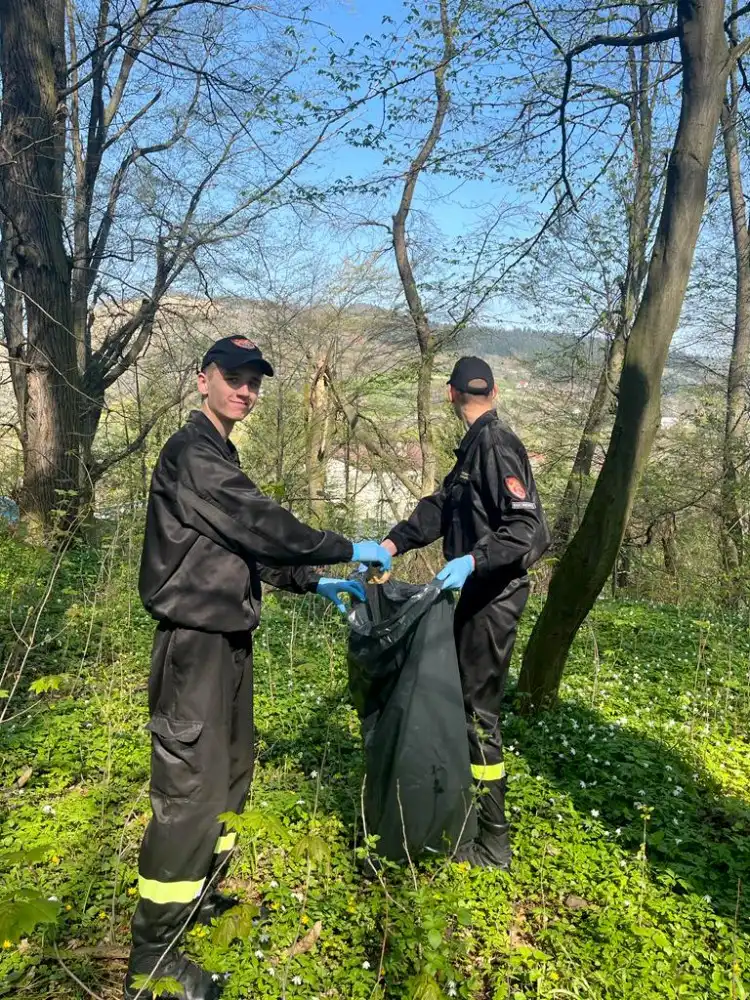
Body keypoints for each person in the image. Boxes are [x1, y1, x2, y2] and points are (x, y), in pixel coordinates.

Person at [125, 335, 392, 1000]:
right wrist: (341, 547)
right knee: (190, 796)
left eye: (254, 381)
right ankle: (152, 961)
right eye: (234, 377)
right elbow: (259, 521)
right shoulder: (193, 454)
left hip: (229, 644)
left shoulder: (219, 452)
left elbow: (244, 546)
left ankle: (199, 906)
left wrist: (309, 581)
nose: (245, 390)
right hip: (194, 648)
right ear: (203, 381)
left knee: (230, 779)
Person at [382, 356, 549, 870]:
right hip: (476, 593)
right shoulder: (475, 449)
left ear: (449, 393)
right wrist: (394, 542)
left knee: (477, 713)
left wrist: (474, 559)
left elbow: (530, 533)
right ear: (492, 391)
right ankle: (464, 818)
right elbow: (443, 507)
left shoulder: (497, 445)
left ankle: (493, 841)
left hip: (493, 598)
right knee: (460, 707)